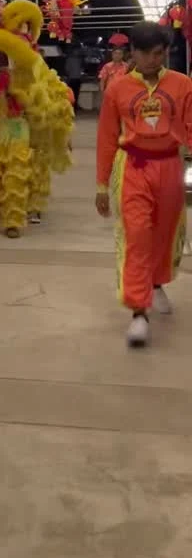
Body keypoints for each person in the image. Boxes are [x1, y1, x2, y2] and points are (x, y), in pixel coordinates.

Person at [95, 21, 192, 346]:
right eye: (148, 54)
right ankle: (139, 312)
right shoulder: (117, 89)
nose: (155, 60)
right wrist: (101, 184)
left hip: (170, 167)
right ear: (133, 52)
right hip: (132, 168)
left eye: (160, 54)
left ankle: (157, 282)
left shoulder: (182, 84)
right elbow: (107, 138)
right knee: (137, 235)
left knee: (165, 234)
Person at [64, 41, 84, 110]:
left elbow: (67, 70)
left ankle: (73, 108)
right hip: (73, 79)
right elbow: (68, 70)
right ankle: (73, 108)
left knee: (73, 95)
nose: (78, 52)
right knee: (74, 95)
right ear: (74, 51)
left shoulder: (75, 60)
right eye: (77, 50)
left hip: (74, 79)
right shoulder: (75, 60)